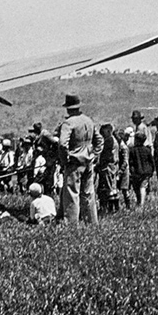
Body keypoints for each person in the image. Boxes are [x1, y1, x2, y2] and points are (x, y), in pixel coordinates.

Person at [56, 94, 98, 224]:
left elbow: (62, 144)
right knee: (88, 193)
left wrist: (65, 160)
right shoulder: (89, 121)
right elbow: (99, 140)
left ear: (68, 108)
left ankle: (71, 224)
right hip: (88, 161)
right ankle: (92, 222)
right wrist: (94, 154)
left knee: (72, 195)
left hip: (74, 162)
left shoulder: (68, 123)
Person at [96, 123, 120, 215]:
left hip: (108, 167)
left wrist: (99, 164)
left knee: (109, 188)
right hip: (112, 166)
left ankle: (111, 209)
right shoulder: (113, 140)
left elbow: (105, 156)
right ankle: (115, 208)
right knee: (112, 188)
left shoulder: (109, 141)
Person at [127, 130, 154, 208]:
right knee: (143, 187)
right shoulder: (147, 150)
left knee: (137, 188)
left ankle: (139, 201)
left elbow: (131, 162)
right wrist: (152, 170)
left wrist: (131, 171)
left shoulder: (132, 150)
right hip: (146, 171)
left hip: (136, 171)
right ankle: (141, 203)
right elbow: (151, 161)